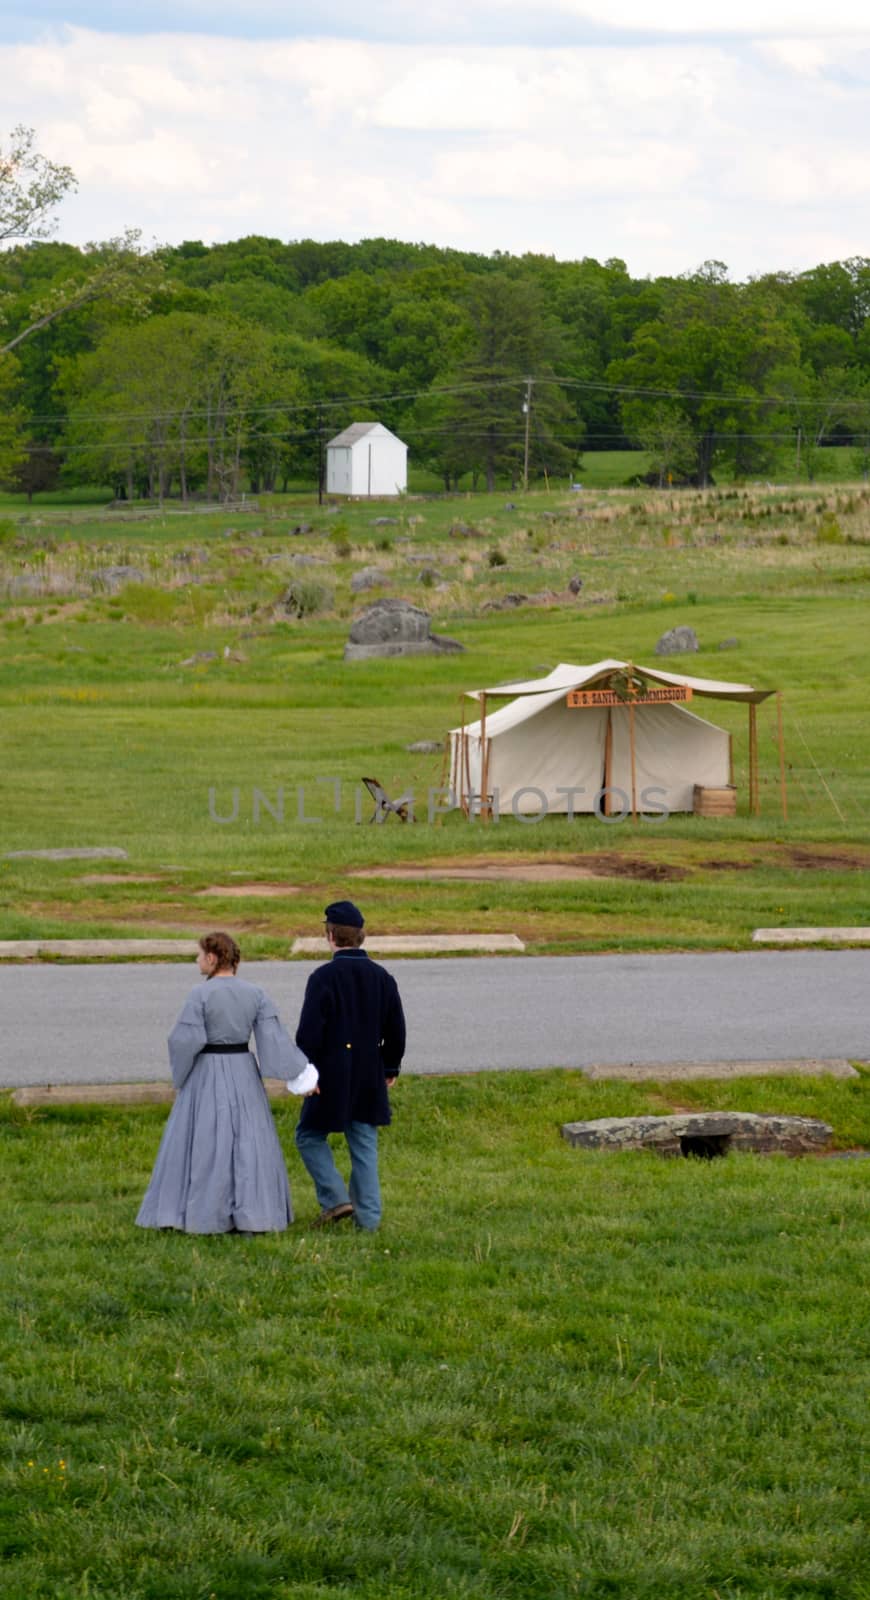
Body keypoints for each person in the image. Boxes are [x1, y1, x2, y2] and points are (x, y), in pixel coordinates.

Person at [136, 931, 317, 1234]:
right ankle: (252, 1212)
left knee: (205, 1138)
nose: (196, 961)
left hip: (206, 1071)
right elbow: (274, 1040)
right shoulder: (256, 993)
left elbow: (184, 1039)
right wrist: (302, 1075)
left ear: (211, 957)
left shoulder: (200, 994)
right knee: (248, 1139)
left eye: (199, 955)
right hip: (243, 1070)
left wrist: (181, 1075)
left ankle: (204, 1212)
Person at [294, 900, 406, 1231]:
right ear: (361, 936)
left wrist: (305, 1073)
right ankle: (368, 1220)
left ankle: (335, 1198)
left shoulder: (323, 977)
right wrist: (391, 1067)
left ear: (330, 936)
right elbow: (395, 1028)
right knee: (364, 1143)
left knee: (309, 1136)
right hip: (369, 1071)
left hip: (330, 1072)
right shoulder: (382, 977)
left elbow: (310, 1032)